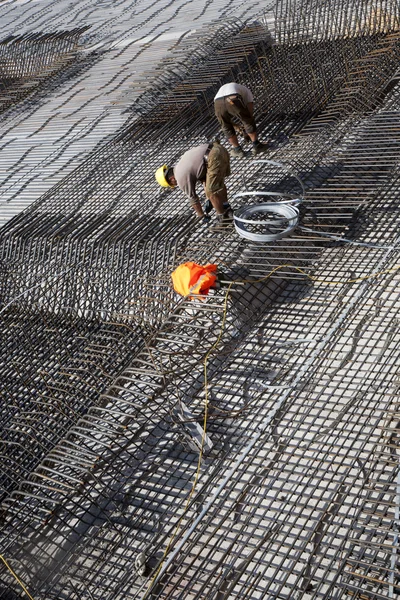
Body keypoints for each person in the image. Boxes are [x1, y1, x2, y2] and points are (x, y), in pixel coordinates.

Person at [155, 140, 233, 224]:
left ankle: (223, 217)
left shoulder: (180, 177)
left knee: (211, 192)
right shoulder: (182, 164)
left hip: (213, 157)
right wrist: (207, 199)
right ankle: (227, 207)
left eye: (171, 184)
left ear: (171, 179)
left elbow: (193, 200)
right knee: (217, 184)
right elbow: (205, 178)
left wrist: (201, 215)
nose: (175, 185)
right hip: (219, 149)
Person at [214, 82, 269, 158]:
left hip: (217, 103)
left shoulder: (225, 89)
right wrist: (246, 128)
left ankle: (237, 150)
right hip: (232, 99)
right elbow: (249, 113)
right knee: (247, 120)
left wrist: (238, 127)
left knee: (226, 126)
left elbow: (227, 120)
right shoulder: (247, 91)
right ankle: (257, 145)